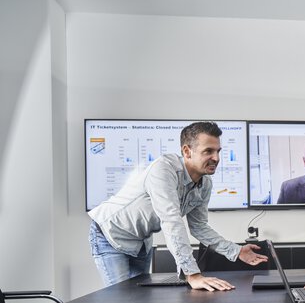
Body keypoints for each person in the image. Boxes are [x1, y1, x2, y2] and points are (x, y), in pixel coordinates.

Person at [88, 122, 268, 290]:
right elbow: (172, 221)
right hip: (110, 234)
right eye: (208, 151)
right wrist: (193, 275)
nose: (216, 158)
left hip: (141, 241)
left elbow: (199, 227)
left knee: (139, 301)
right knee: (120, 301)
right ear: (187, 151)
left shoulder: (205, 183)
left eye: (218, 151)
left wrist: (236, 251)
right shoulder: (164, 169)